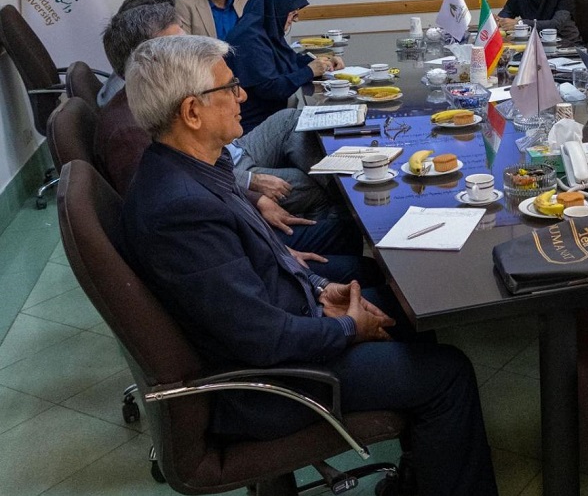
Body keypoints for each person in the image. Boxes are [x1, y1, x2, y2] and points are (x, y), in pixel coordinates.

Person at [118, 35, 497, 496]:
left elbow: (264, 264)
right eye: (230, 87)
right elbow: (259, 338)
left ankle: (423, 479)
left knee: (405, 311)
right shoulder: (181, 210)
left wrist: (318, 287)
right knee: (448, 374)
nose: (243, 96)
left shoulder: (189, 169)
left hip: (283, 329)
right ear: (192, 112)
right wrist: (345, 328)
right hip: (265, 385)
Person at [94, 0, 362, 269]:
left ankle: (348, 186)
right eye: (180, 45)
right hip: (256, 248)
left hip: (245, 215)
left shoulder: (152, 108)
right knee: (347, 239)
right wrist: (289, 258)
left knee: (291, 120)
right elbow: (212, 242)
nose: (241, 96)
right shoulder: (131, 134)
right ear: (149, 59)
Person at [225, 0, 342, 132]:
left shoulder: (264, 30)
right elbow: (271, 88)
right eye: (293, 14)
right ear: (277, 10)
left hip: (272, 117)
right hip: (255, 126)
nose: (295, 20)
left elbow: (287, 62)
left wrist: (323, 62)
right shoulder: (248, 38)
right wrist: (309, 71)